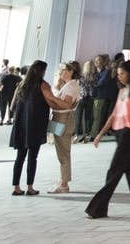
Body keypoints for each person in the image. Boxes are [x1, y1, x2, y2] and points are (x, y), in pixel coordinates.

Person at [86, 60, 130, 218]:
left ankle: (98, 208)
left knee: (114, 170)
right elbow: (114, 114)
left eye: (122, 73)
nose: (119, 76)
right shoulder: (122, 91)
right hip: (119, 132)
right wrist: (100, 134)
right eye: (118, 74)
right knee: (128, 168)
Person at [8, 60, 64, 195]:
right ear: (41, 71)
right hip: (36, 125)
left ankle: (16, 188)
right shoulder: (43, 85)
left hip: (21, 126)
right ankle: (30, 187)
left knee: (19, 158)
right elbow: (52, 102)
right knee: (33, 157)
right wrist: (67, 106)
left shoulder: (21, 85)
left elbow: (12, 107)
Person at [49, 60, 82, 192]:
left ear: (70, 72)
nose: (61, 72)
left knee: (63, 152)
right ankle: (63, 180)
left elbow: (66, 104)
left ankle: (64, 183)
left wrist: (51, 98)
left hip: (63, 118)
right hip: (58, 117)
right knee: (60, 149)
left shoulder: (72, 86)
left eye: (63, 70)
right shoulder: (68, 85)